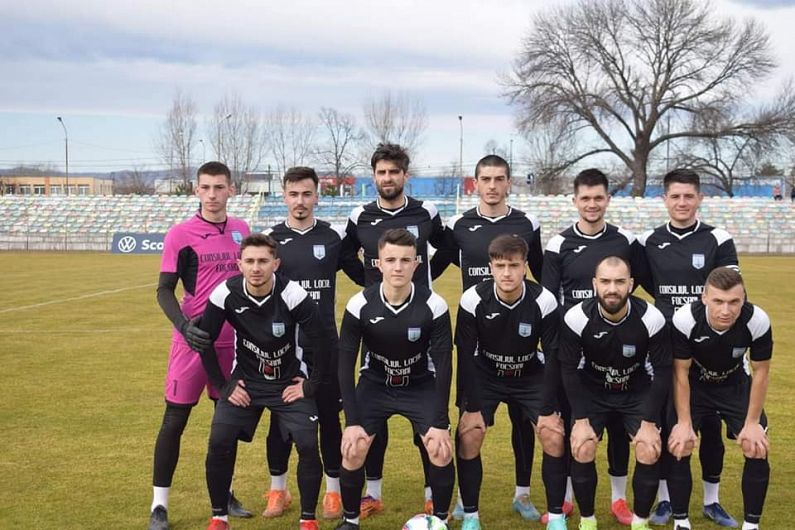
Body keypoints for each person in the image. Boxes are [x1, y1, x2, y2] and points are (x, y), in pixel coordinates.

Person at [430, 155, 544, 520]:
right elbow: (433, 268)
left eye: (499, 179)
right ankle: (465, 499)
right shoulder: (460, 225)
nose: (492, 185)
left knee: (524, 423)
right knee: (470, 424)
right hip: (478, 346)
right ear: (475, 183)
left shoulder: (527, 223)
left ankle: (523, 495)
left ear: (509, 182)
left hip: (522, 341)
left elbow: (543, 275)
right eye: (485, 179)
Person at [197, 233, 329, 530]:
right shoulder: (225, 293)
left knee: (308, 444)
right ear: (239, 264)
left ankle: (308, 519)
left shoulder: (293, 294)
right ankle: (218, 517)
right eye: (250, 261)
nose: (256, 268)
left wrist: (310, 385)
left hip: (287, 382)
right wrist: (224, 386)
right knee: (219, 441)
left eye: (263, 261)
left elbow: (322, 340)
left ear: (275, 264)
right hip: (246, 382)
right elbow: (205, 340)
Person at [542, 168, 651, 526]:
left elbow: (642, 284)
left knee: (619, 427)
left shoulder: (626, 241)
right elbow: (549, 300)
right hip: (573, 351)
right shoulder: (558, 244)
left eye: (598, 198)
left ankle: (619, 499)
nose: (592, 204)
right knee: (574, 422)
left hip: (617, 346)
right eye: (585, 198)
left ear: (608, 200)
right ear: (575, 200)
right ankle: (567, 499)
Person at [343, 143, 447, 516]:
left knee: (426, 418)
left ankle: (432, 494)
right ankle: (372, 493)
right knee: (375, 409)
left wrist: (425, 282)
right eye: (381, 172)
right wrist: (369, 283)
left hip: (418, 317)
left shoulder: (426, 211)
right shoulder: (360, 215)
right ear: (374, 176)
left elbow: (448, 249)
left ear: (405, 175)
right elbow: (345, 255)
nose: (387, 178)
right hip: (377, 318)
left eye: (394, 172)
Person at [148, 161, 251, 530]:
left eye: (219, 187)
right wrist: (183, 326)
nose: (212, 194)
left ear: (231, 190)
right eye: (205, 187)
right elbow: (164, 290)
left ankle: (225, 495)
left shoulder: (242, 230)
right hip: (192, 341)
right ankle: (159, 506)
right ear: (196, 190)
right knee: (175, 419)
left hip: (231, 343)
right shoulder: (180, 234)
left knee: (226, 424)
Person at [261, 167, 365, 521]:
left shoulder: (333, 237)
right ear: (284, 196)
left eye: (307, 194)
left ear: (317, 196)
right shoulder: (271, 239)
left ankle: (333, 493)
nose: (300, 201)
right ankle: (278, 490)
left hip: (325, 345)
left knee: (330, 420)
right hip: (283, 347)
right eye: (293, 194)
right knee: (281, 421)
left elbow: (362, 275)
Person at [638, 168, 740, 526]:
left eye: (689, 196)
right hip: (666, 349)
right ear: (664, 199)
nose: (682, 202)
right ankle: (666, 500)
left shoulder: (718, 239)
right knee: (669, 423)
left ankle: (712, 501)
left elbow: (729, 289)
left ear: (700, 198)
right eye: (675, 196)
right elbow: (646, 284)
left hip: (709, 348)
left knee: (710, 426)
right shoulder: (648, 241)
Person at [335, 229, 455, 529]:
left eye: (405, 260)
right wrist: (352, 422)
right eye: (390, 260)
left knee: (440, 448)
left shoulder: (434, 304)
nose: (398, 267)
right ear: (378, 264)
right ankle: (350, 521)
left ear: (417, 264)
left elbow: (444, 365)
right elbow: (344, 365)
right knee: (353, 447)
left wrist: (440, 422)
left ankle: (439, 521)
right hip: (375, 383)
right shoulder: (359, 304)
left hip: (419, 383)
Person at [454, 234, 567, 530]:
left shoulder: (543, 300)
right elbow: (465, 356)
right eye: (501, 265)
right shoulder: (473, 299)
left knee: (553, 434)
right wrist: (472, 407)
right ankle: (470, 516)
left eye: (514, 265)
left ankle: (556, 518)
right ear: (491, 267)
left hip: (529, 374)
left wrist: (547, 409)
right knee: (469, 433)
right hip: (486, 374)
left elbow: (553, 356)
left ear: (525, 266)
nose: (507, 273)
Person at [559, 256, 670, 530]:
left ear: (630, 284)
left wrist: (648, 422)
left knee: (648, 448)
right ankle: (588, 521)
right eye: (605, 281)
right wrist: (581, 420)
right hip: (592, 391)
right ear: (594, 284)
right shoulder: (576, 317)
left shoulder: (651, 318)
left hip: (636, 391)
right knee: (582, 446)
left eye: (620, 282)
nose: (612, 289)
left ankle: (640, 523)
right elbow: (568, 370)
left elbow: (662, 372)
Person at [667, 267, 772, 530]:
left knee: (755, 446)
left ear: (743, 298)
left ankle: (751, 525)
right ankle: (681, 521)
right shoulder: (685, 319)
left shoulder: (757, 320)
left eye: (734, 302)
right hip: (695, 386)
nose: (726, 310)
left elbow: (761, 372)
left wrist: (752, 423)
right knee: (681, 443)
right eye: (718, 301)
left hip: (734, 385)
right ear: (704, 297)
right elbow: (680, 372)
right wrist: (683, 422)